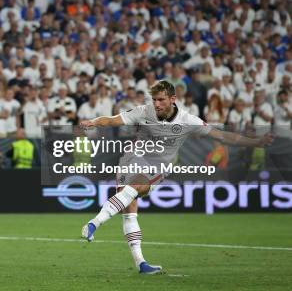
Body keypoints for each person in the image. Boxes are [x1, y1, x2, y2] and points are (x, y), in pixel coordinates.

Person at [79, 80, 273, 274]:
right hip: (131, 159)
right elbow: (113, 120)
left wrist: (256, 142)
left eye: (161, 100)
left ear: (173, 99)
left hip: (157, 166)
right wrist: (94, 122)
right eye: (154, 99)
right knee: (129, 211)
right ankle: (140, 264)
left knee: (134, 193)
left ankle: (94, 223)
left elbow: (222, 136)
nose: (156, 104)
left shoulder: (187, 120)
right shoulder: (143, 111)